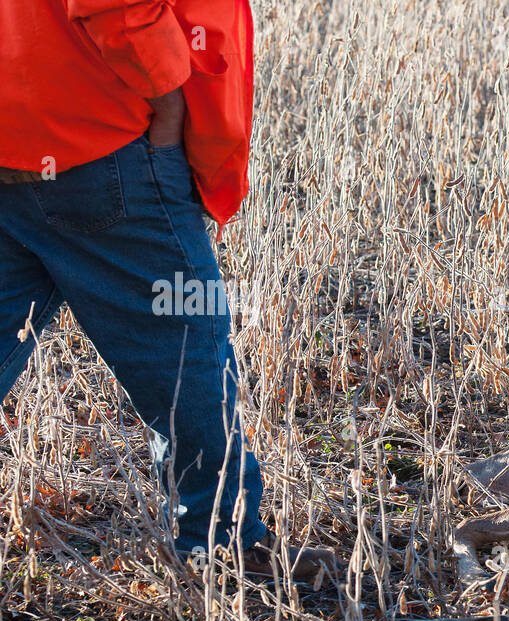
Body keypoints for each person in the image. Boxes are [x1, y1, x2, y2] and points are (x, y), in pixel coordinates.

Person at [0, 0, 335, 580]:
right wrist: (169, 104)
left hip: (16, 138)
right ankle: (222, 544)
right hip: (102, 146)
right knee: (184, 354)